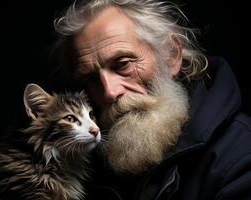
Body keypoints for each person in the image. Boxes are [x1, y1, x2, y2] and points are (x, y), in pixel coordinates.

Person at [49, 0, 251, 199]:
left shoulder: (241, 152)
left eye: (123, 64)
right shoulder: (80, 164)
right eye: (92, 79)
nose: (109, 92)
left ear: (171, 55)